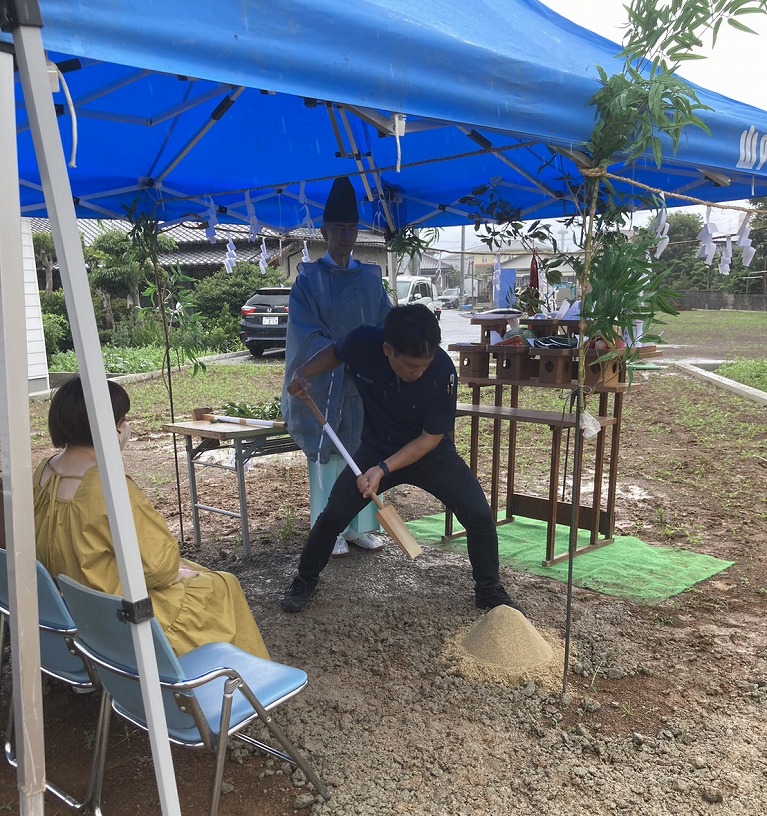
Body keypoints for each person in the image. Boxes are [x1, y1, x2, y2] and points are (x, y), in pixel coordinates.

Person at [280, 304, 524, 615]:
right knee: (333, 516)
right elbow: (336, 352)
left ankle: (489, 590)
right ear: (387, 350)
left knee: (479, 515)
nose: (418, 372)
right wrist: (304, 373)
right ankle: (304, 580)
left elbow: (430, 438)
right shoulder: (363, 343)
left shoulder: (442, 372)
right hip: (376, 449)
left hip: (429, 453)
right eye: (411, 366)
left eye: (425, 365)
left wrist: (383, 470)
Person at [33, 376, 270, 660]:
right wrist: (175, 572)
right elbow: (159, 564)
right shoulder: (106, 485)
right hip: (120, 609)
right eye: (122, 418)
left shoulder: (43, 472)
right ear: (114, 427)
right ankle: (235, 680)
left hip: (75, 599)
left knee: (193, 570)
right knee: (222, 584)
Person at [281, 175, 392, 558]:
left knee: (363, 450)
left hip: (362, 383)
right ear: (325, 230)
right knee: (330, 455)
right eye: (338, 228)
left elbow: (385, 324)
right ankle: (330, 528)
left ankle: (362, 526)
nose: (345, 235)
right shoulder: (308, 281)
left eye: (351, 228)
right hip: (327, 383)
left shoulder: (370, 279)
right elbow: (304, 332)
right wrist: (338, 352)